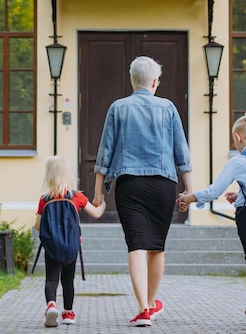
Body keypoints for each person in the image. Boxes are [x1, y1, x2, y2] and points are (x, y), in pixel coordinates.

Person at [93, 55, 193, 327]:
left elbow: (105, 152)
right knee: (156, 248)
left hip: (129, 184)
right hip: (163, 184)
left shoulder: (118, 107)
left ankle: (142, 309)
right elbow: (181, 152)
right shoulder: (168, 108)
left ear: (132, 80)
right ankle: (149, 303)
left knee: (136, 245)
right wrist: (189, 191)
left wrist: (98, 194)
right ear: (154, 81)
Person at [177, 110, 246, 331]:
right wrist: (242, 193)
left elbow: (214, 191)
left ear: (238, 138)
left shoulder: (237, 162)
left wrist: (188, 198)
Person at [34, 155, 106, 328]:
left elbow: (37, 226)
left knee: (51, 279)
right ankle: (68, 312)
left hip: (52, 247)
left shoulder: (45, 199)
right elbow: (95, 213)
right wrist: (102, 203)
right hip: (71, 247)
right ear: (69, 175)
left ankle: (51, 304)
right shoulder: (77, 197)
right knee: (68, 280)